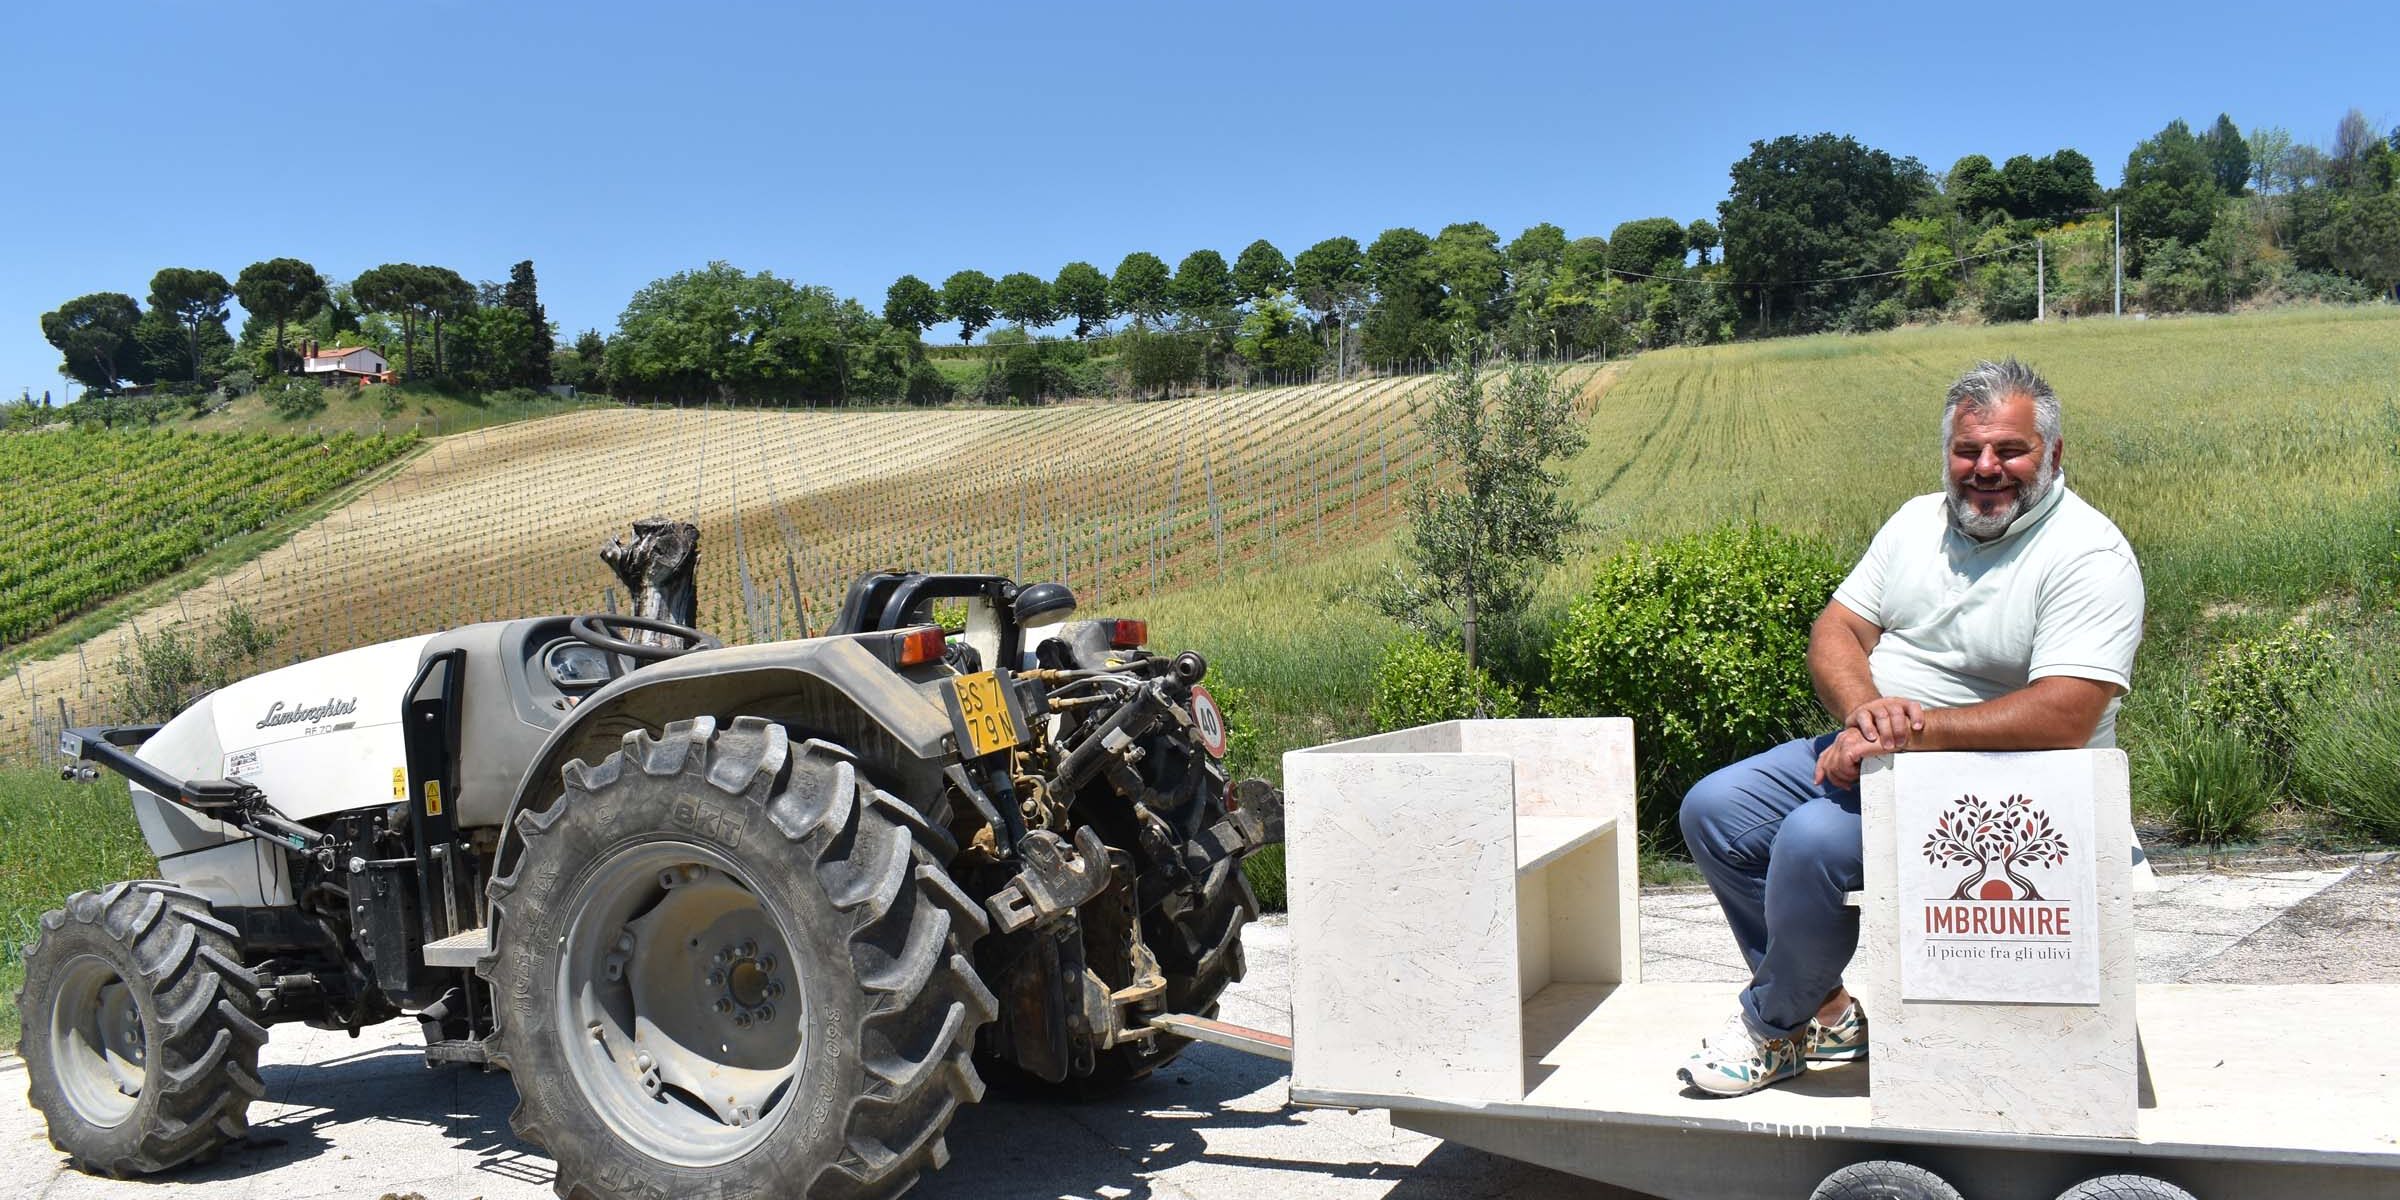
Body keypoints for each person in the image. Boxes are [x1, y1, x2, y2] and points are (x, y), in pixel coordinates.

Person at [1675, 358, 2144, 1098]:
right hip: (1884, 749)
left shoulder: (2088, 554)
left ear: (2053, 455)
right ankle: (1826, 1012)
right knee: (1717, 808)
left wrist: (1901, 734)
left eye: (2009, 450)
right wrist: (1865, 712)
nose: (1986, 467)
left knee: (1812, 842)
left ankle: (1772, 1028)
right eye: (1968, 450)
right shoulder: (1914, 522)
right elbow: (1837, 629)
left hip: (2013, 784)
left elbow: (2067, 711)